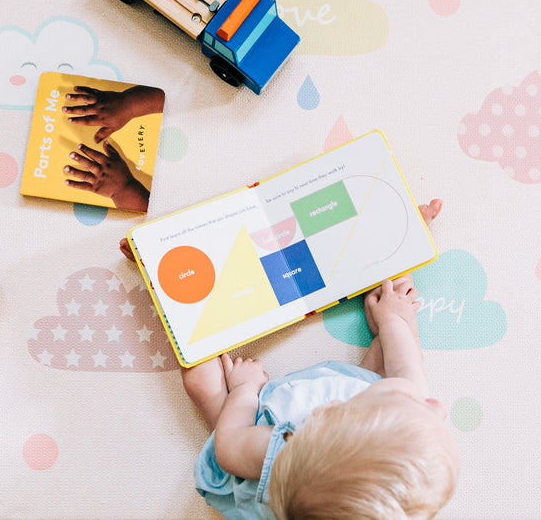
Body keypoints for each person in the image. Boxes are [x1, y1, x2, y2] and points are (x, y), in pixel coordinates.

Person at [177, 199, 460, 519]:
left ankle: (171, 278)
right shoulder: (408, 432)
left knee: (202, 382)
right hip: (354, 396)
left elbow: (229, 448)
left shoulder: (286, 451)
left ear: (328, 409)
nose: (439, 407)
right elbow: (408, 372)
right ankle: (401, 246)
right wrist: (393, 320)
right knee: (400, 321)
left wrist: (244, 389)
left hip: (257, 436)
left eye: (418, 404)